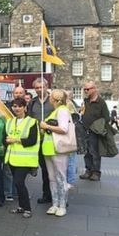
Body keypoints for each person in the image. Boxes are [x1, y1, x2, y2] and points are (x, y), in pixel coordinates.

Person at [39, 89, 75, 217]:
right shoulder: (57, 111)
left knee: (60, 177)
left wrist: (46, 127)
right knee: (52, 178)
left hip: (58, 148)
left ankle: (62, 205)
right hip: (49, 147)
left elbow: (64, 129)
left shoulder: (62, 111)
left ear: (53, 99)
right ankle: (55, 204)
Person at [5, 98, 40, 218]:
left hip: (25, 159)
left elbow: (32, 140)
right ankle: (21, 206)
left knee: (19, 182)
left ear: (25, 107)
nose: (17, 108)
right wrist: (6, 141)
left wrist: (16, 140)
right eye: (14, 106)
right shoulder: (9, 121)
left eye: (20, 106)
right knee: (18, 184)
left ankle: (28, 209)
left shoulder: (32, 122)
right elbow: (5, 138)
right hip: (12, 158)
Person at [27, 77, 53, 204]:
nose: (39, 90)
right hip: (39, 140)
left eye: (41, 87)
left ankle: (58, 195)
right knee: (45, 169)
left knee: (55, 169)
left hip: (53, 139)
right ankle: (46, 194)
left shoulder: (54, 101)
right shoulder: (32, 102)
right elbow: (30, 120)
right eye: (36, 87)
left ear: (46, 86)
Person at [80, 81, 110, 181]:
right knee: (87, 152)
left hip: (95, 132)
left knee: (95, 153)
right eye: (85, 89)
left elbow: (106, 117)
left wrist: (98, 126)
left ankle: (96, 172)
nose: (85, 91)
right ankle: (88, 170)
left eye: (87, 89)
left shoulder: (101, 102)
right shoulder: (86, 101)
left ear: (94, 89)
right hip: (85, 130)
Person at [3, 86, 26, 201]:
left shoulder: (28, 107)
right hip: (9, 145)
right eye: (16, 92)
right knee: (8, 171)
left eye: (20, 92)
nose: (18, 94)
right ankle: (8, 193)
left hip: (22, 147)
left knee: (19, 174)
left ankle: (17, 192)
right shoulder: (7, 107)